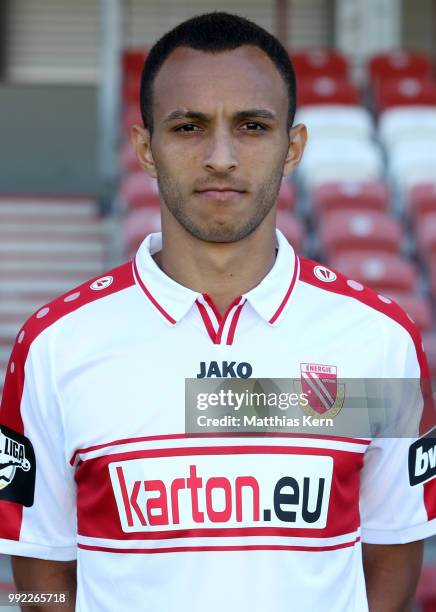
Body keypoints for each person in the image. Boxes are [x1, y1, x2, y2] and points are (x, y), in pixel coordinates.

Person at [0, 11, 435, 612]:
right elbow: (40, 558)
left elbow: (392, 545)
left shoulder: (378, 341)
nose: (221, 156)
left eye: (253, 126)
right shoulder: (54, 346)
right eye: (189, 127)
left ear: (293, 147)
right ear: (146, 149)